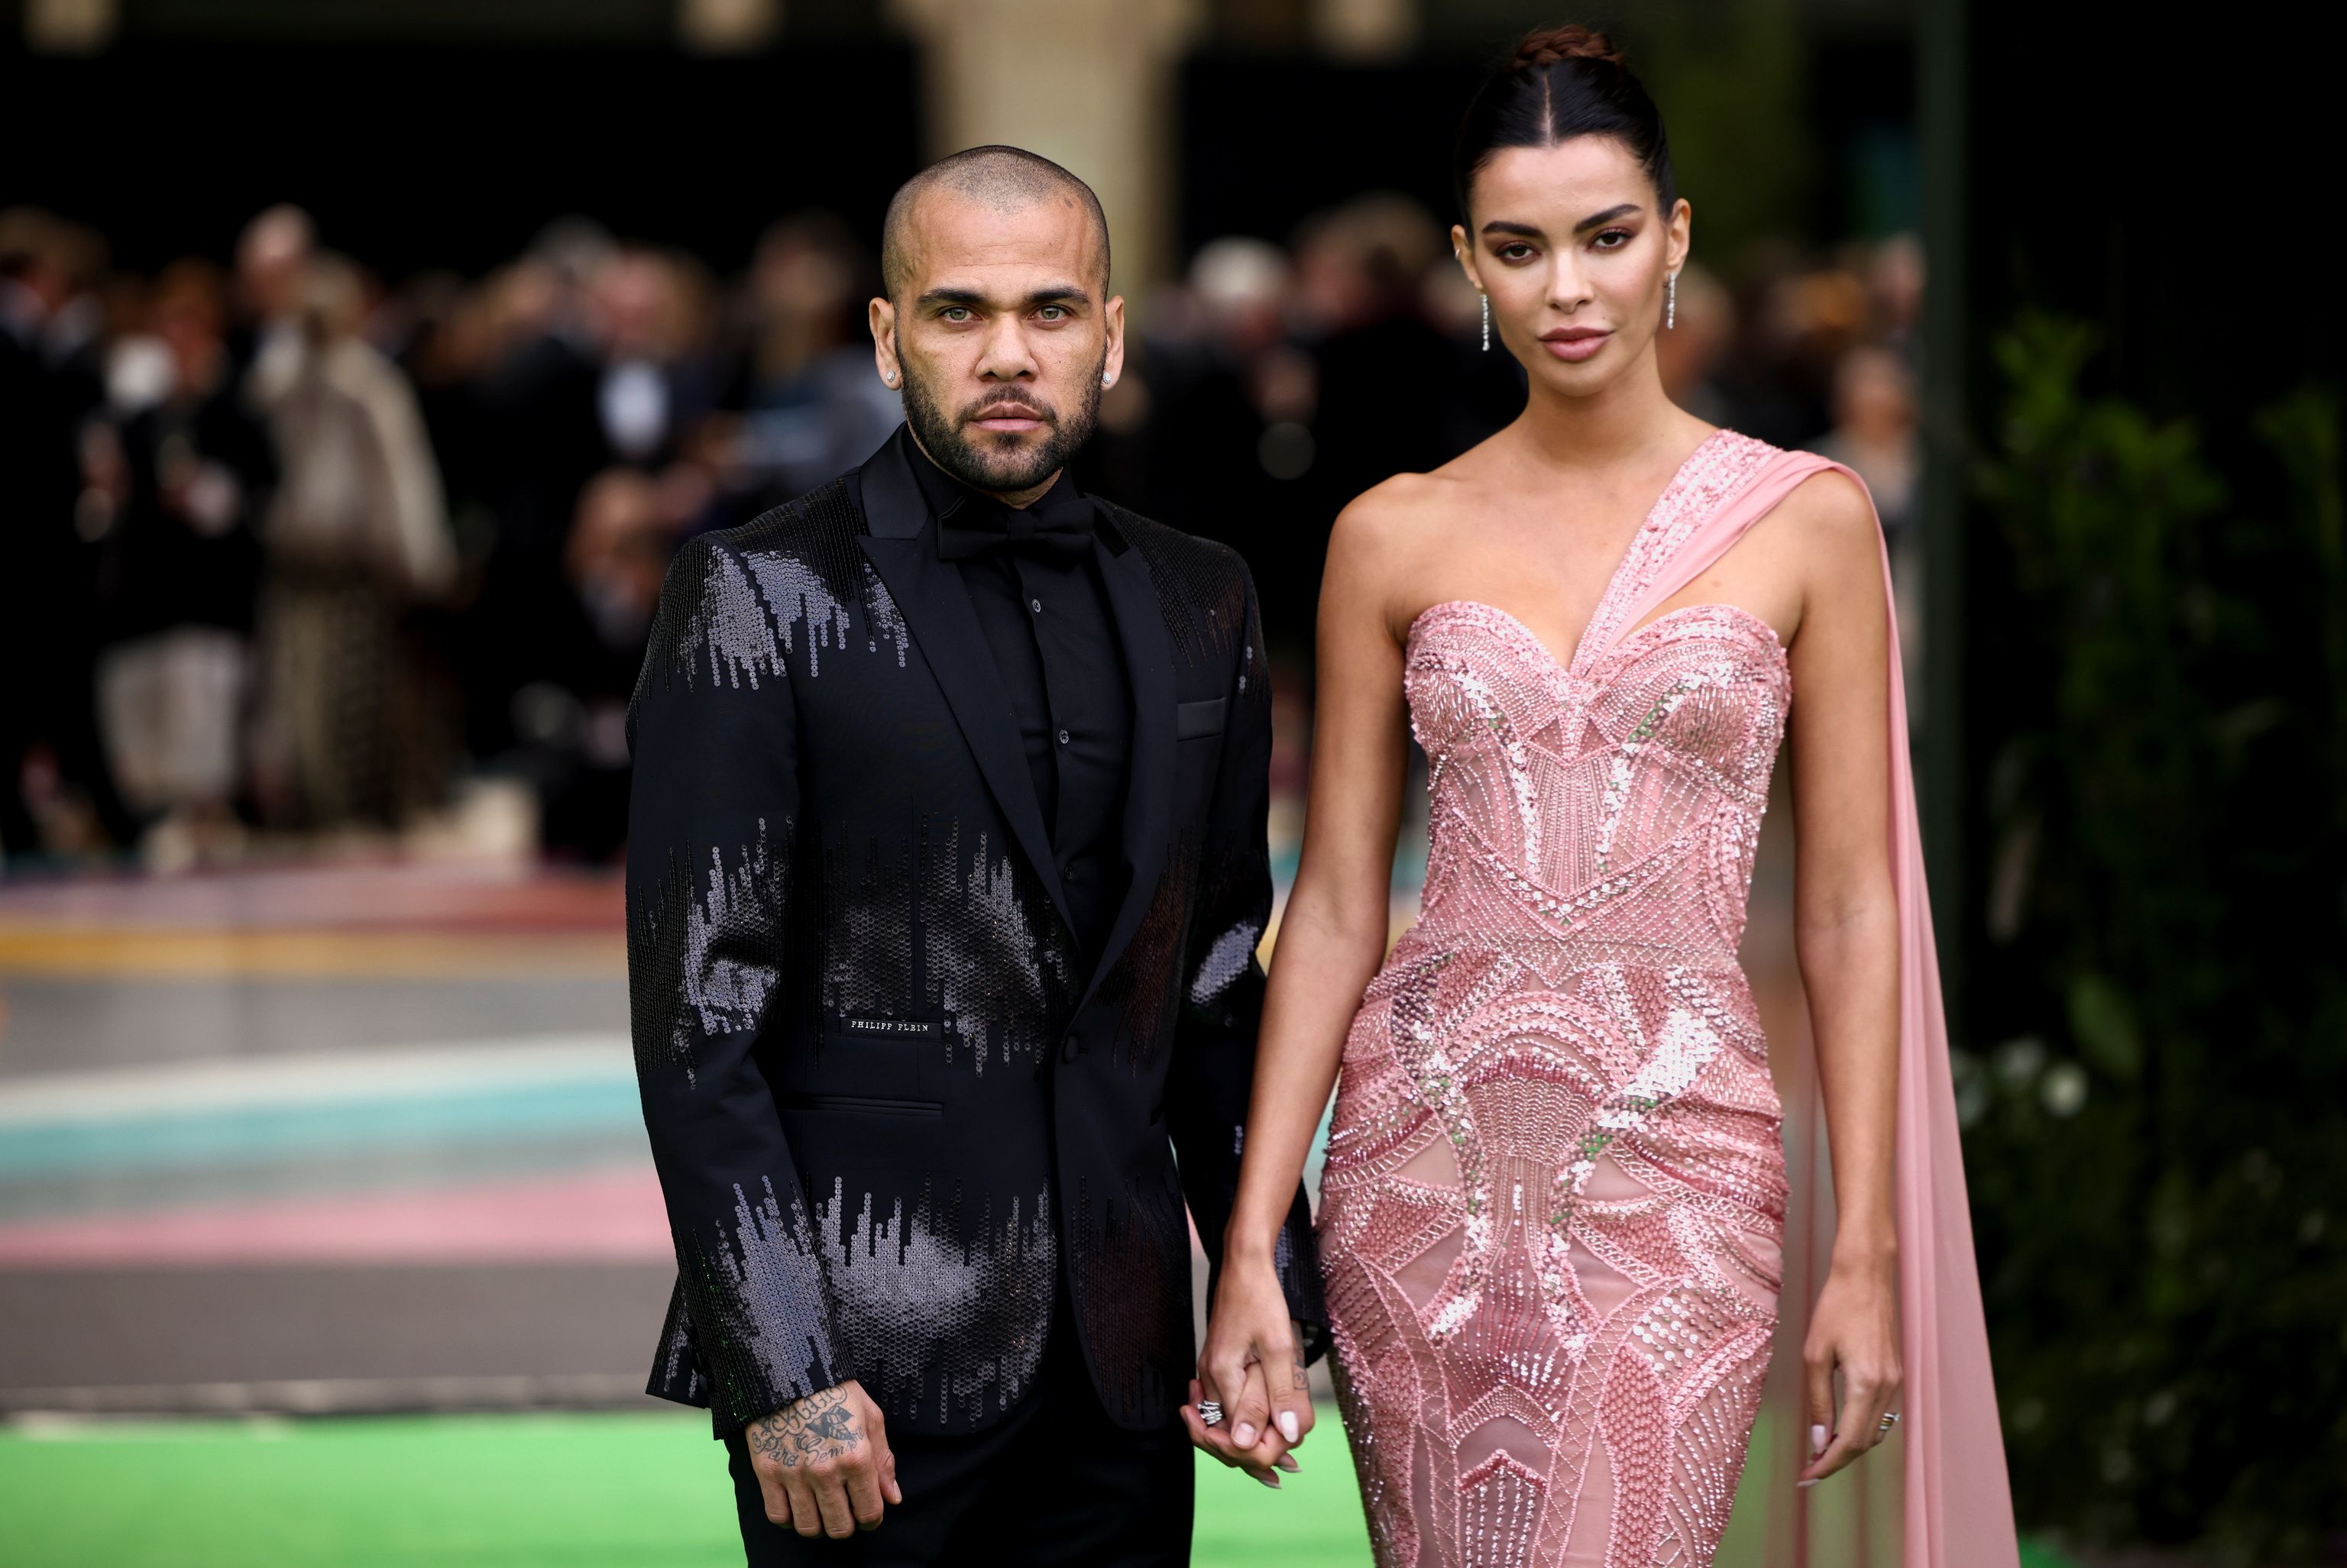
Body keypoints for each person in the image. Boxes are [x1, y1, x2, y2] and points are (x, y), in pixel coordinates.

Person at [1192, 27, 2016, 1566]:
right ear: (1467, 264)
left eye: (1606, 237)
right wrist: (1254, 1240)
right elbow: (1338, 905)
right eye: (1520, 248)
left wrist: (1868, 1250)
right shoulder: (1392, 534)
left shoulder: (1808, 522)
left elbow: (1850, 903)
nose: (1567, 288)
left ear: (1676, 239)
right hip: (1417, 1168)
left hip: (1684, 1168)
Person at [623, 145, 1323, 1566]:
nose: (1008, 353)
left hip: (1127, 1377)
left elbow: (1208, 986)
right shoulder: (760, 592)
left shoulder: (1206, 600)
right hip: (862, 1384)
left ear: (1111, 337)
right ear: (888, 339)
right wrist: (781, 1367)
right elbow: (700, 1027)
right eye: (958, 312)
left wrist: (1266, 1274)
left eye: (1052, 311)